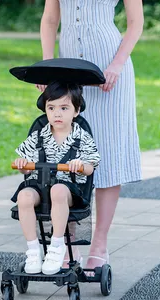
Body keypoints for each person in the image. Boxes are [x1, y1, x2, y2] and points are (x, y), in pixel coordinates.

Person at [38, 0, 144, 271]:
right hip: (69, 72)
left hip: (110, 74)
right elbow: (51, 19)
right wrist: (48, 65)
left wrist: (117, 65)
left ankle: (99, 244)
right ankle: (64, 240)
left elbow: (135, 23)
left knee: (106, 155)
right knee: (65, 156)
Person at [11, 81, 100, 275]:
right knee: (24, 196)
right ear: (45, 110)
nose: (57, 113)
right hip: (39, 186)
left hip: (69, 189)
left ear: (76, 112)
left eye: (64, 108)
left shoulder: (81, 137)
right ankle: (33, 250)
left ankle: (57, 246)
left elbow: (91, 167)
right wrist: (22, 165)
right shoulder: (38, 136)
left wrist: (81, 166)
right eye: (51, 108)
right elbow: (26, 169)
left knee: (57, 190)